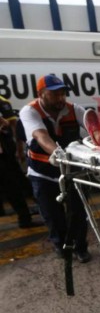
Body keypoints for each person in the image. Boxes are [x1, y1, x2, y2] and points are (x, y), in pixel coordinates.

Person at [19, 74, 92, 263]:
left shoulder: (74, 110)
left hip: (72, 172)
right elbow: (41, 137)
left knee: (78, 211)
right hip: (42, 172)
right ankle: (61, 245)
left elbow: (95, 129)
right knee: (52, 213)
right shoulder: (30, 111)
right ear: (41, 94)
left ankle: (80, 247)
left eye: (63, 93)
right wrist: (60, 154)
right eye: (55, 94)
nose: (61, 98)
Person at [0, 96, 42, 228]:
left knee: (17, 183)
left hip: (6, 153)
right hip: (3, 155)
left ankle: (32, 212)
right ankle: (25, 218)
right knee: (12, 187)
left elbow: (9, 124)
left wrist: (18, 148)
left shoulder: (2, 102)